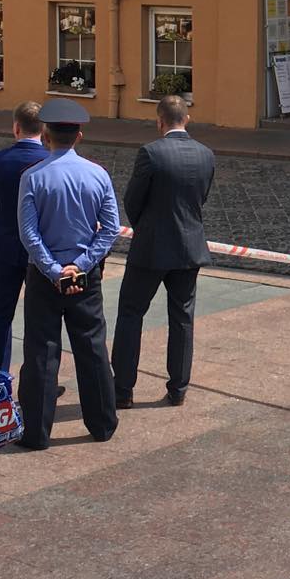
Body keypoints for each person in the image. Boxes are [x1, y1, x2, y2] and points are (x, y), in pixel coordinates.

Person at [16, 97, 120, 447]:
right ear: (79, 136)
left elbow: (29, 233)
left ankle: (36, 432)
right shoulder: (98, 174)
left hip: (45, 277)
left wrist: (53, 269)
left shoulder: (32, 177)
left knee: (41, 353)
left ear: (46, 136)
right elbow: (110, 229)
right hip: (84, 276)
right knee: (92, 349)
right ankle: (102, 424)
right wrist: (82, 264)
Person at [112, 95, 216, 410]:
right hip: (189, 247)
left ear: (160, 121)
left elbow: (132, 200)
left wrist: (146, 227)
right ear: (187, 119)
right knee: (182, 318)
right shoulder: (206, 154)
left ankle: (123, 390)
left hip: (151, 248)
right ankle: (178, 388)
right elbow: (202, 197)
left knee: (131, 314)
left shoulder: (151, 153)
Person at [0, 101, 48, 372]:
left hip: (7, 245)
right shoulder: (50, 161)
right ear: (43, 129)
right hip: (42, 250)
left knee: (0, 312)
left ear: (16, 127)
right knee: (41, 316)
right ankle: (40, 378)